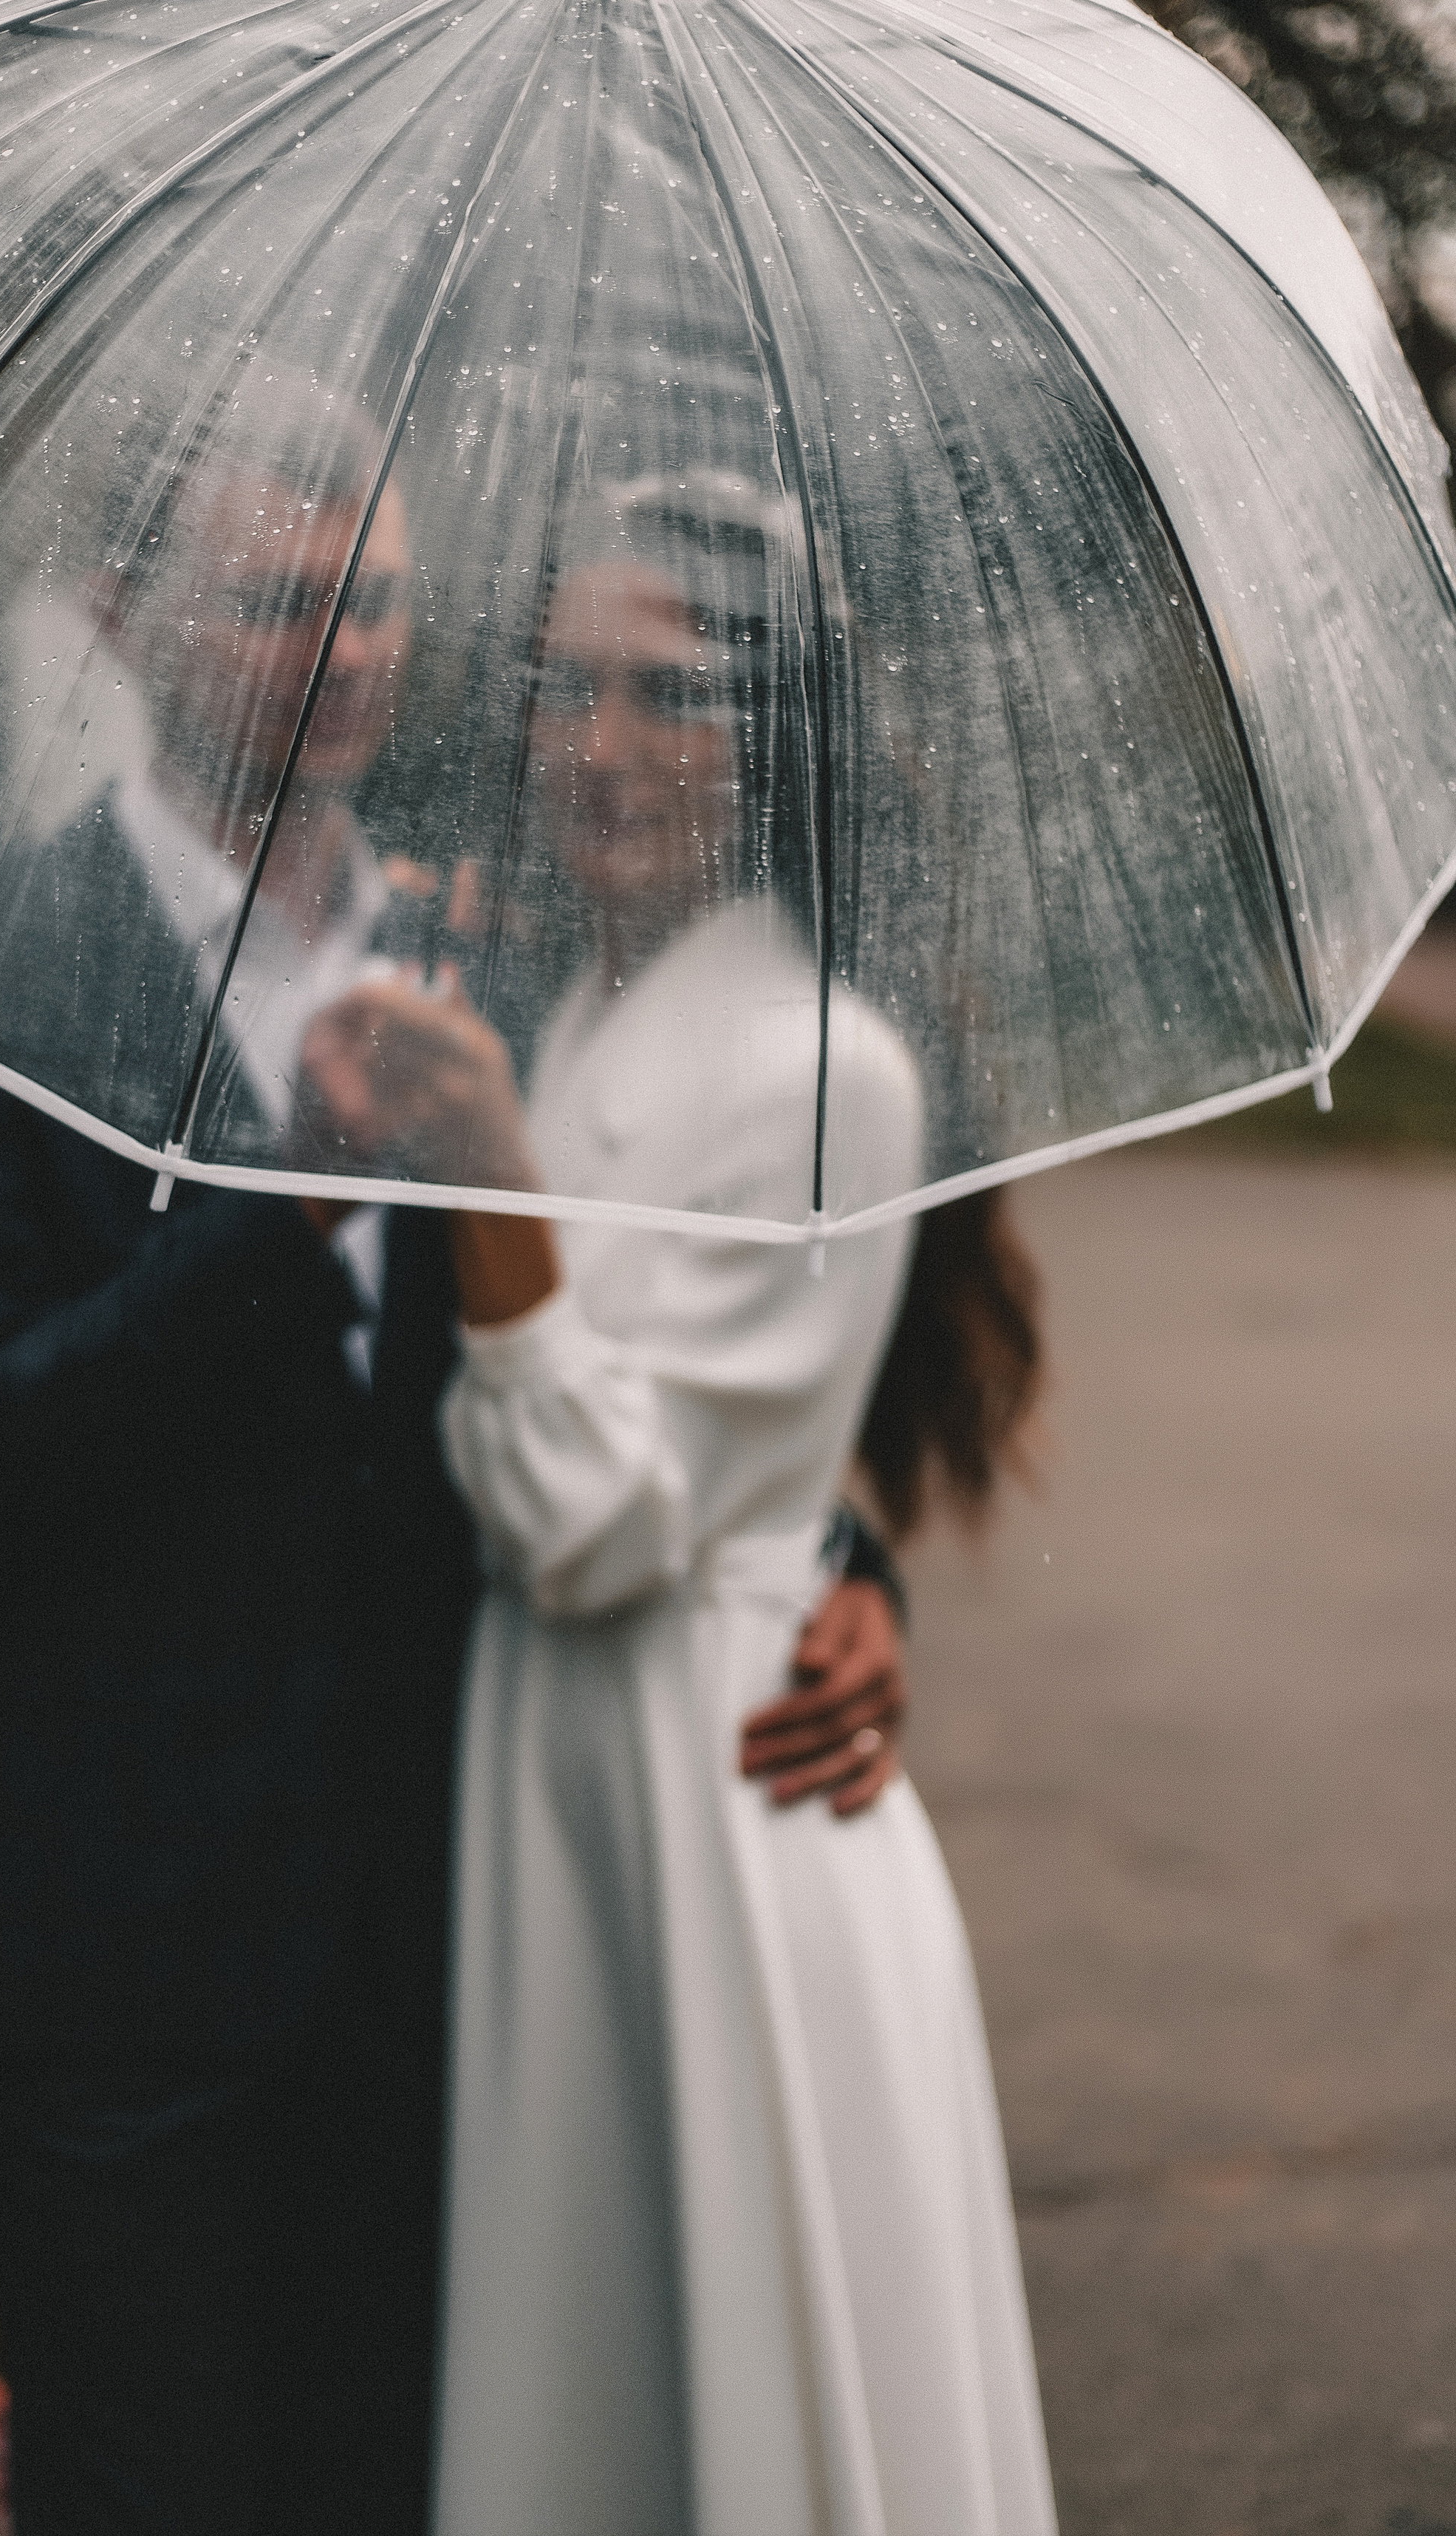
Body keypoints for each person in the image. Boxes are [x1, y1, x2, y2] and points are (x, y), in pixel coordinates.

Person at [0, 398, 906, 2535]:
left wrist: (840, 1563)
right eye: (272, 603)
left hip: (441, 1940)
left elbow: (631, 1342)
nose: (340, 657)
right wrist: (284, 1204)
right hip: (107, 1950)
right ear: (117, 611)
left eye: (381, 604)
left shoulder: (504, 962)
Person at [300, 474, 1056, 2536]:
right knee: (600, 2385)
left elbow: (594, 1524)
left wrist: (489, 1180)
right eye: (563, 688)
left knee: (736, 2373)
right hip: (548, 1774)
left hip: (712, 1792)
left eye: (673, 695)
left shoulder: (829, 1071)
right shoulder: (557, 1005)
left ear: (777, 734)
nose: (601, 745)